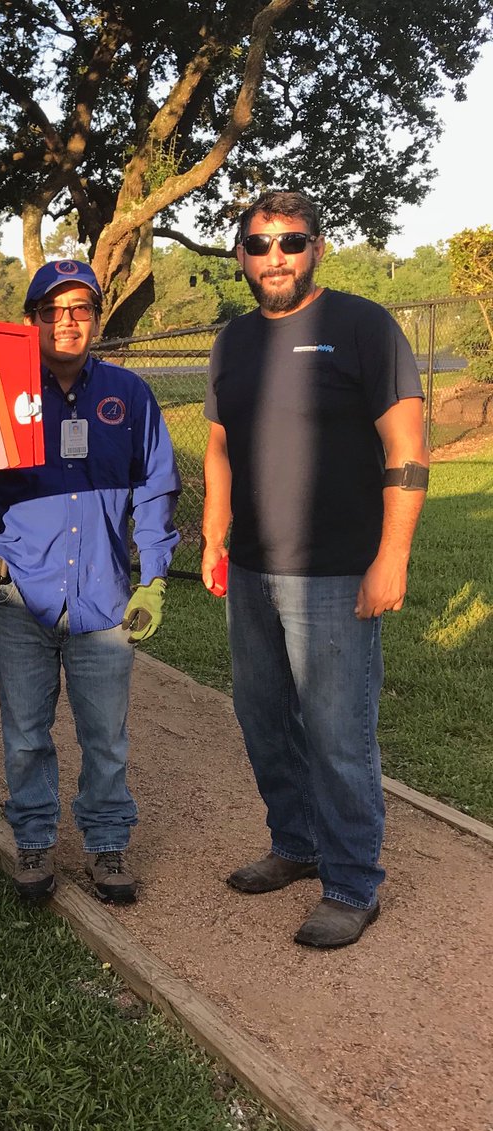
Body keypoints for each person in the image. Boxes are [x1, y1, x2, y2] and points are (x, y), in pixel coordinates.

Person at [202, 190, 427, 949]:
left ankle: (353, 882)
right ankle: (295, 845)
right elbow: (222, 444)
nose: (276, 258)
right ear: (240, 254)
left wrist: (391, 558)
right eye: (261, 244)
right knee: (263, 720)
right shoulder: (232, 341)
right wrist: (212, 535)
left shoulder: (363, 327)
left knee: (337, 733)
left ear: (318, 248)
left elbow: (407, 452)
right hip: (255, 570)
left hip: (337, 573)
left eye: (292, 242)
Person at [0, 260, 180, 905]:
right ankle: (34, 840)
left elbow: (156, 487)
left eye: (80, 308)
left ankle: (107, 847)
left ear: (97, 318)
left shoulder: (129, 396)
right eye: (52, 310)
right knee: (26, 732)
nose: (67, 321)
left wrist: (154, 578)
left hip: (105, 599)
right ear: (30, 322)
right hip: (21, 597)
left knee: (104, 734)